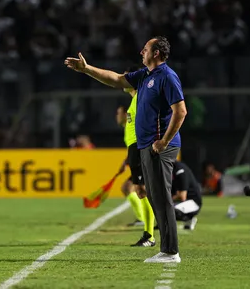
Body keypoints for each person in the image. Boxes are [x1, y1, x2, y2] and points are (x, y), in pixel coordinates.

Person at [65, 36, 187, 264]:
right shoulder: (145, 76)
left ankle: (171, 252)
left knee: (161, 197)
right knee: (154, 197)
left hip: (160, 146)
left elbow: (180, 111)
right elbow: (117, 80)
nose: (141, 51)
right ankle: (166, 249)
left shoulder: (167, 76)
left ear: (157, 53)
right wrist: (86, 69)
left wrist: (163, 141)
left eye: (146, 49)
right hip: (146, 146)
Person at [115, 67, 157, 247]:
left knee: (143, 191)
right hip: (135, 149)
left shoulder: (141, 97)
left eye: (127, 76)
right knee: (140, 191)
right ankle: (149, 232)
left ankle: (150, 234)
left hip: (141, 147)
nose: (125, 79)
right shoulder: (134, 101)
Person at [171, 160, 202, 230]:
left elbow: (182, 196)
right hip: (181, 202)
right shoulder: (170, 169)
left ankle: (189, 218)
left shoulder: (180, 170)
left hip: (193, 203)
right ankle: (162, 224)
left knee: (168, 209)